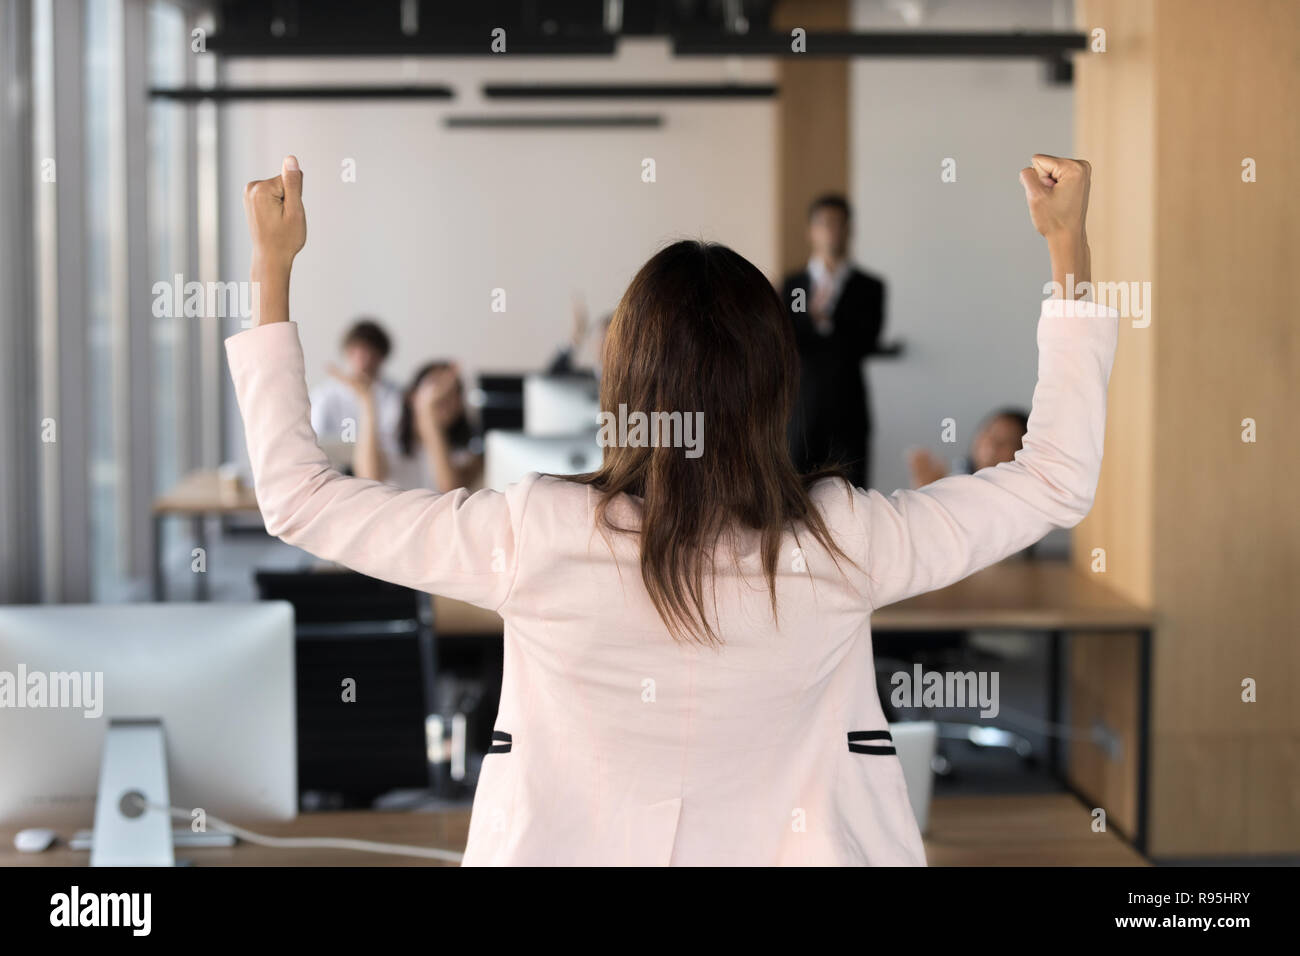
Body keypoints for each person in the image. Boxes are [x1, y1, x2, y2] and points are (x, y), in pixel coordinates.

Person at [233, 153, 1113, 865]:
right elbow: (1054, 480)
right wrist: (1067, 252)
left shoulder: (533, 534)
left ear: (623, 387)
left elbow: (300, 498)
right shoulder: (844, 540)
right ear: (776, 385)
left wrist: (273, 271)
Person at [782, 195, 886, 488]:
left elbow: (866, 341)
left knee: (852, 493)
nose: (831, 231)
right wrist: (812, 320)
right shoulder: (794, 285)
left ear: (850, 230)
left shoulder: (869, 287)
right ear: (811, 231)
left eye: (839, 224)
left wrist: (824, 319)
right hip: (801, 406)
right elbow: (786, 340)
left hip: (848, 407)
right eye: (824, 224)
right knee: (794, 491)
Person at [329, 359, 483, 492]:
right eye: (435, 386)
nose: (441, 396)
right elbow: (369, 476)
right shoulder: (391, 439)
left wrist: (427, 415)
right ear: (412, 396)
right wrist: (367, 400)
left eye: (453, 391)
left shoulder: (471, 452)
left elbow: (451, 490)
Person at [308, 318, 402, 466]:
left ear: (381, 356)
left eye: (370, 352)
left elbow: (391, 444)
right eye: (357, 351)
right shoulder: (324, 394)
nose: (364, 360)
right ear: (347, 353)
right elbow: (314, 440)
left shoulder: (395, 396)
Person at [907, 408, 1031, 488]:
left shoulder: (1012, 495)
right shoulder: (959, 476)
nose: (992, 444)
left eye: (1005, 441)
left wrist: (931, 489)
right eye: (989, 432)